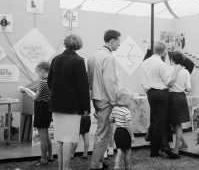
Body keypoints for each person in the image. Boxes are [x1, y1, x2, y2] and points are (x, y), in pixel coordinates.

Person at [48, 34, 90, 170]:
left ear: (65, 44)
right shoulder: (78, 61)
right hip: (72, 106)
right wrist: (86, 107)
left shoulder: (55, 59)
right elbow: (83, 87)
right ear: (78, 45)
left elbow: (49, 82)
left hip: (56, 104)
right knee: (68, 138)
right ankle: (65, 168)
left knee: (59, 139)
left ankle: (61, 167)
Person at [140, 41, 181, 159]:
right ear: (164, 52)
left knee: (155, 120)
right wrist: (176, 71)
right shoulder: (162, 64)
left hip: (150, 94)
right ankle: (155, 151)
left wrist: (148, 91)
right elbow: (169, 82)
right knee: (160, 122)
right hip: (161, 94)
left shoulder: (145, 63)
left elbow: (143, 82)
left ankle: (162, 147)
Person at [88, 30, 121, 170]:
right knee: (102, 133)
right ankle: (95, 165)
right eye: (118, 42)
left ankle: (100, 161)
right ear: (112, 41)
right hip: (105, 98)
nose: (119, 45)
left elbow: (89, 78)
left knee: (104, 131)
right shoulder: (108, 57)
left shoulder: (93, 55)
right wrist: (115, 101)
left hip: (96, 96)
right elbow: (109, 82)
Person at [21, 62, 53, 166]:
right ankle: (50, 156)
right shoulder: (51, 81)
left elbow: (35, 98)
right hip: (48, 108)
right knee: (46, 134)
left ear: (43, 72)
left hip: (41, 109)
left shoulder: (42, 82)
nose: (37, 74)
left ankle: (43, 159)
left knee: (42, 135)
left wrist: (26, 91)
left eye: (38, 72)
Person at [168, 51, 191, 154]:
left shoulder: (169, 69)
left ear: (172, 60)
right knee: (177, 124)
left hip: (171, 97)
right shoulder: (186, 72)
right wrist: (182, 87)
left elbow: (167, 84)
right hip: (181, 97)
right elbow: (189, 89)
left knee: (176, 125)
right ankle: (184, 144)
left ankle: (176, 149)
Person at [109, 89, 135, 170]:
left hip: (117, 132)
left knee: (119, 151)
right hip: (125, 132)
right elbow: (128, 125)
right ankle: (127, 167)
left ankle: (116, 166)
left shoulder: (114, 109)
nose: (130, 101)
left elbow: (110, 119)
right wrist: (132, 136)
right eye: (129, 99)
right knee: (128, 151)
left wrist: (115, 120)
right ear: (124, 100)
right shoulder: (126, 111)